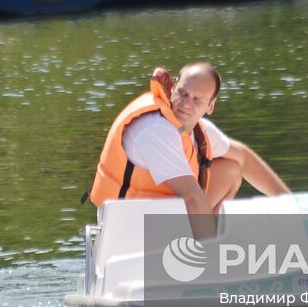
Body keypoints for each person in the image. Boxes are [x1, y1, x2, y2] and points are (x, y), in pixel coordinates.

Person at [88, 61, 290, 236]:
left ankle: (208, 240)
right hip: (129, 229)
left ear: (210, 105)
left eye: (197, 99)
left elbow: (244, 158)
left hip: (161, 221)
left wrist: (293, 208)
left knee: (231, 169)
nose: (186, 104)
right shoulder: (156, 129)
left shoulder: (199, 131)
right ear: (173, 88)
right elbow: (193, 199)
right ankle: (206, 252)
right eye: (183, 93)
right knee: (198, 199)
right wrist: (213, 260)